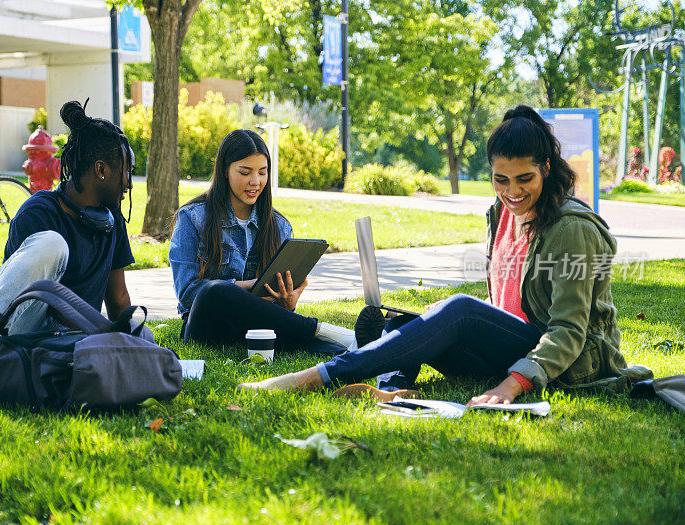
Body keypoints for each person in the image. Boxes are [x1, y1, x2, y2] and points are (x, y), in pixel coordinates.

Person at [240, 105, 652, 403]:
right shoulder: (502, 214)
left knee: (458, 311)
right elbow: (509, 304)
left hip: (570, 368)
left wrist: (512, 384)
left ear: (547, 167)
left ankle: (317, 376)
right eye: (500, 180)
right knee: (416, 321)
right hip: (514, 349)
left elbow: (567, 330)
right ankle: (390, 390)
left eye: (524, 179)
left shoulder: (572, 229)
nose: (512, 192)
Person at [0, 100, 135, 396]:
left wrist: (138, 342)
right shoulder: (40, 212)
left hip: (72, 340)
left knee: (142, 333)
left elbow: (118, 297)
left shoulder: (112, 218)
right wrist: (100, 329)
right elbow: (24, 298)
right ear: (101, 170)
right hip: (20, 327)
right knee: (51, 243)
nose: (128, 182)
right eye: (126, 171)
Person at [170, 129, 357, 353]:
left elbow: (279, 310)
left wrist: (288, 302)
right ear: (225, 171)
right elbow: (188, 294)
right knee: (214, 291)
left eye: (262, 172)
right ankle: (320, 329)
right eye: (245, 172)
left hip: (260, 329)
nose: (255, 181)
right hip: (209, 326)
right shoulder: (192, 218)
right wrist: (249, 286)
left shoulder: (280, 225)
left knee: (309, 346)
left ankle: (351, 345)